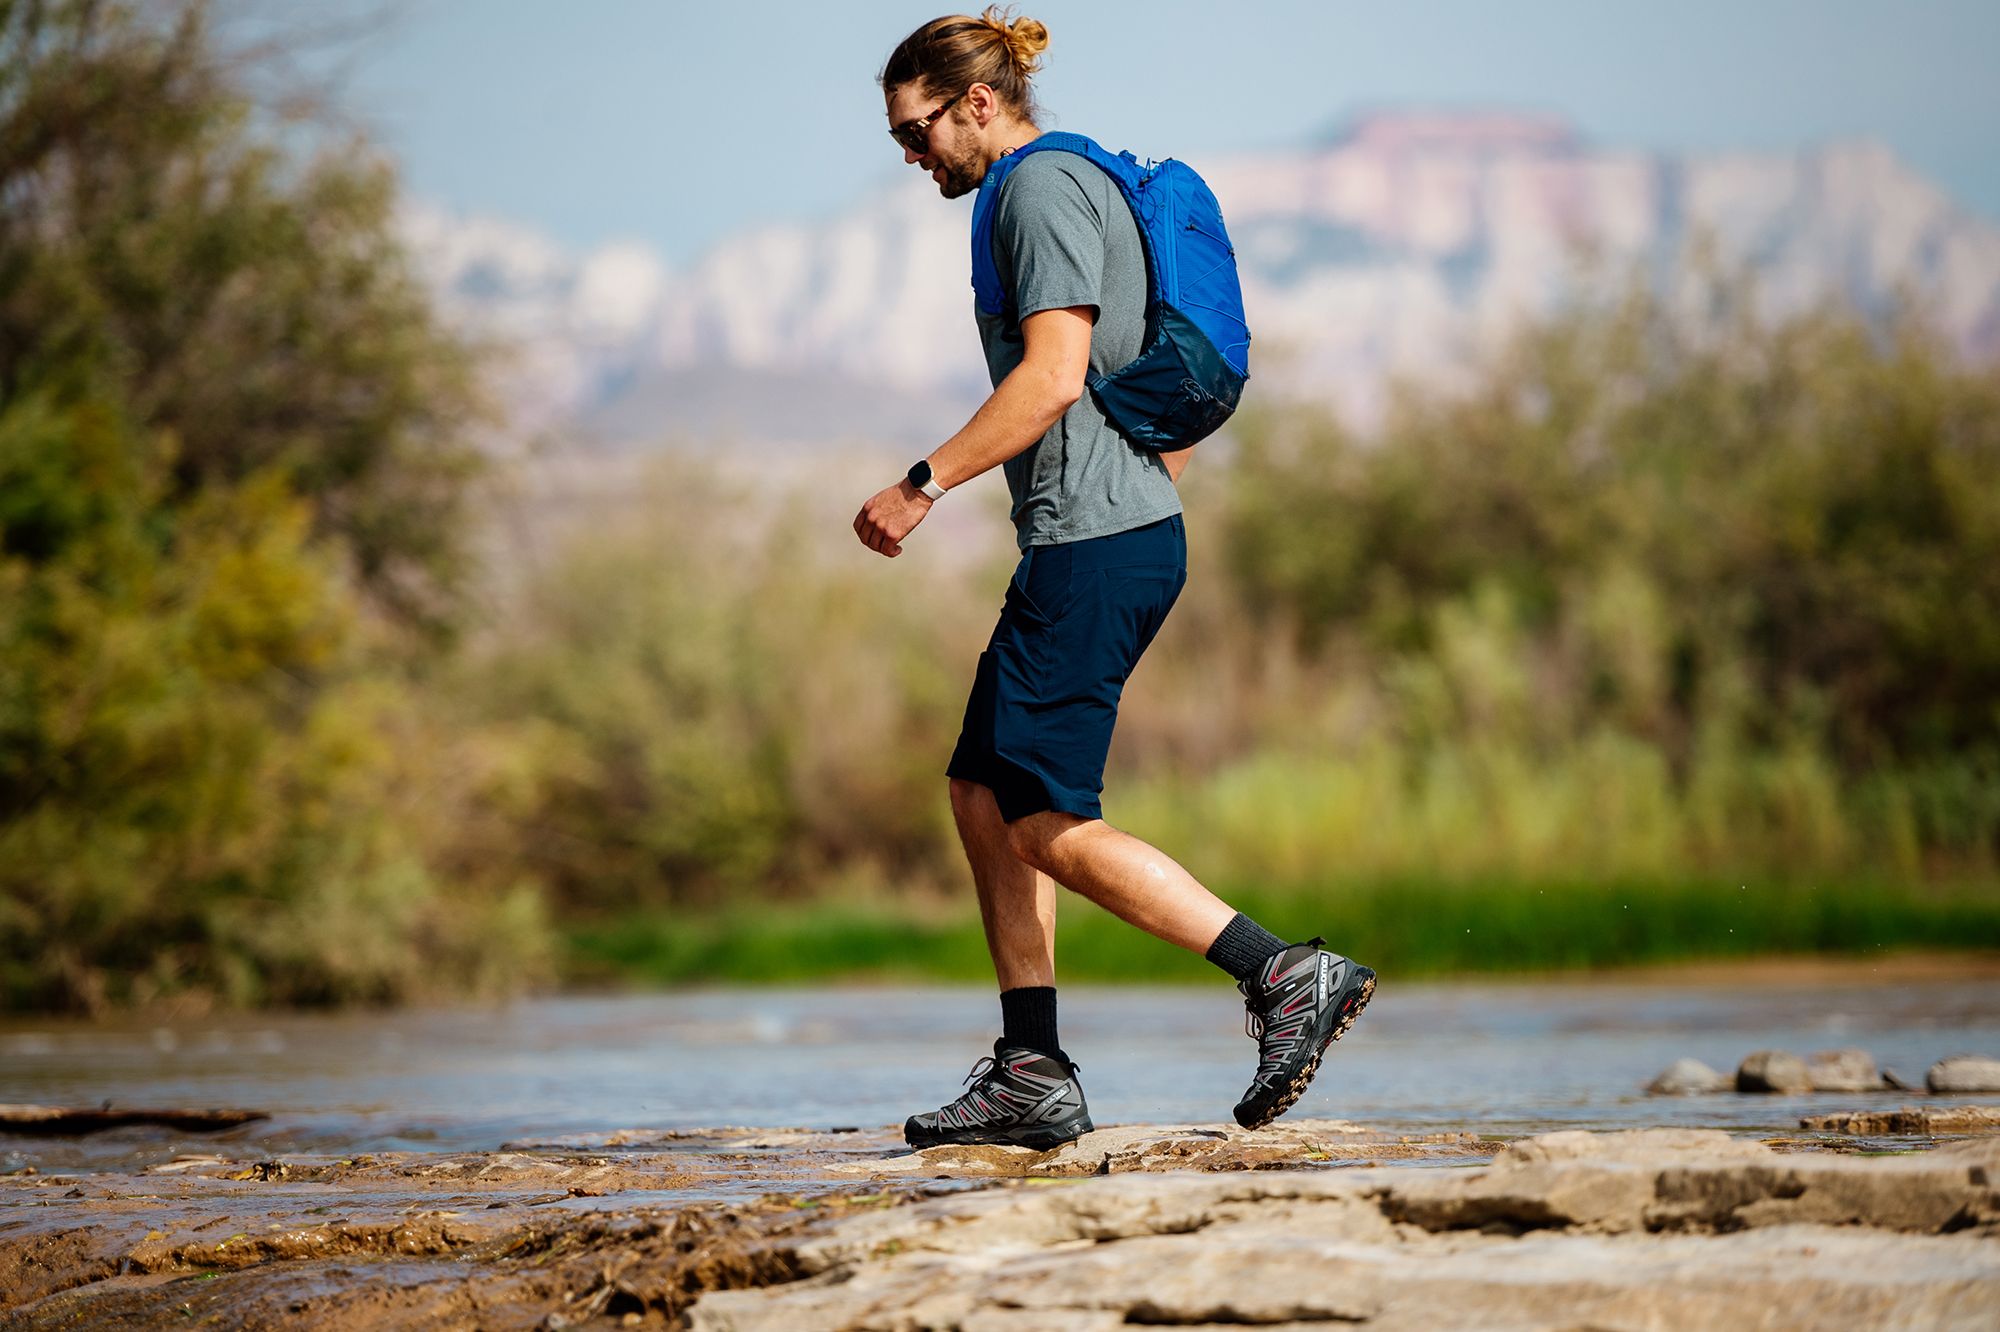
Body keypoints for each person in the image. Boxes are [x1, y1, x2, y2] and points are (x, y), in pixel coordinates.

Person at [855, 7, 1375, 1147]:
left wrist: (920, 484)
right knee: (982, 793)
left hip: (1093, 542)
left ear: (975, 104)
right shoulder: (1072, 180)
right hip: (1104, 533)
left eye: (915, 130)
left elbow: (1051, 376)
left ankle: (1283, 973)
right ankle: (1029, 1068)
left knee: (1042, 821)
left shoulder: (1037, 190)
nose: (910, 155)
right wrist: (1130, 493)